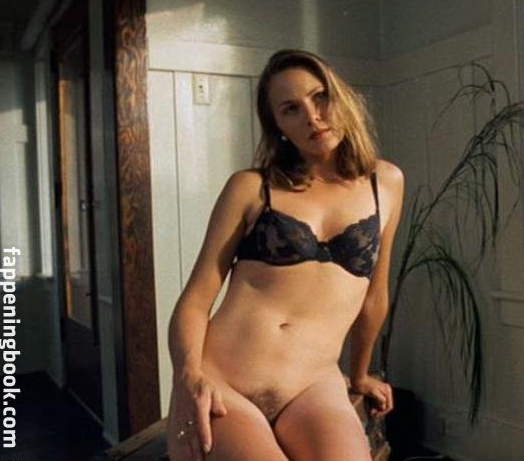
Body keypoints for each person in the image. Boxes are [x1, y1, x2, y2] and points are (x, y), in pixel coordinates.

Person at [165, 49, 404, 461]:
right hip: (225, 384)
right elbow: (195, 300)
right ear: (277, 126)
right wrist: (189, 377)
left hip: (313, 388)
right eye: (291, 109)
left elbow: (374, 295)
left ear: (341, 97)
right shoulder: (250, 188)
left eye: (320, 97)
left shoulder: (387, 182)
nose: (312, 117)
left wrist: (360, 374)